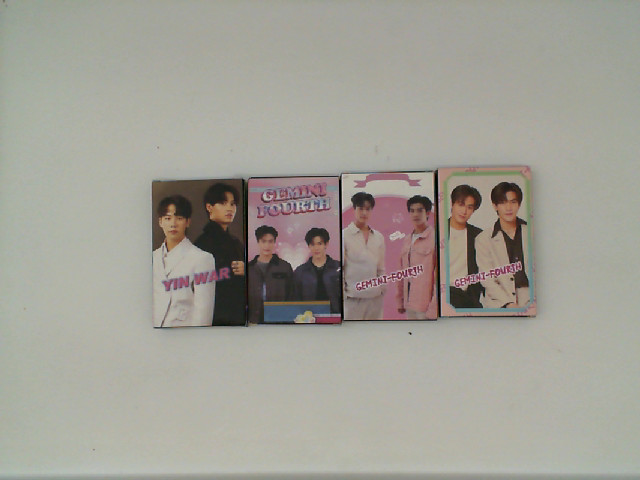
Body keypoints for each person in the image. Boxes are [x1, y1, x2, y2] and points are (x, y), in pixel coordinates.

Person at [152, 195, 215, 327]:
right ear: (160, 222)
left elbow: (204, 311)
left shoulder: (202, 258)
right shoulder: (154, 257)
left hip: (183, 331)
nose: (173, 224)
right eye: (168, 218)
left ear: (188, 222)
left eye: (179, 218)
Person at [194, 183, 246, 326]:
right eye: (223, 203)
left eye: (233, 204)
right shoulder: (202, 243)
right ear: (209, 207)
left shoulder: (235, 242)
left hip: (237, 314)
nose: (230, 208)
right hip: (215, 315)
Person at [475, 182, 531, 308]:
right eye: (503, 203)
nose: (508, 207)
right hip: (499, 301)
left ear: (519, 204)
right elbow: (486, 278)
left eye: (513, 202)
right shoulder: (483, 239)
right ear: (495, 206)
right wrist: (508, 303)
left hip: (529, 297)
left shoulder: (531, 232)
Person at [342, 192, 386, 320]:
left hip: (375, 299)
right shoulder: (344, 235)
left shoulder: (378, 237)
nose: (364, 213)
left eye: (368, 209)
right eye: (361, 208)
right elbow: (341, 268)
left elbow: (381, 268)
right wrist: (345, 295)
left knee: (375, 332)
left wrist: (382, 289)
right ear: (354, 209)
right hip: (353, 299)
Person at [396, 195, 437, 319]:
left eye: (420, 210)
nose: (415, 214)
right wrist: (400, 300)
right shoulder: (407, 240)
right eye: (412, 211)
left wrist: (433, 308)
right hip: (409, 304)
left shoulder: (434, 238)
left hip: (426, 306)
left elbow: (439, 276)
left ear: (428, 213)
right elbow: (401, 273)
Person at [247, 225, 294, 324]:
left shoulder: (285, 267)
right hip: (253, 321)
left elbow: (292, 295)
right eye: (263, 241)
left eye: (270, 241)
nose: (267, 245)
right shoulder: (249, 268)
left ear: (274, 243)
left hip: (279, 320)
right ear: (258, 242)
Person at [448, 184, 484, 308]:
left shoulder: (478, 235)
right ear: (452, 204)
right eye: (461, 204)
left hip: (468, 298)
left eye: (469, 207)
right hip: (444, 294)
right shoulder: (438, 230)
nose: (464, 211)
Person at [292, 227, 342, 313]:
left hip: (335, 316)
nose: (316, 248)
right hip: (309, 317)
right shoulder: (300, 271)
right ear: (308, 246)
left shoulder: (338, 267)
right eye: (313, 244)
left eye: (319, 244)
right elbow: (296, 299)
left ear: (326, 244)